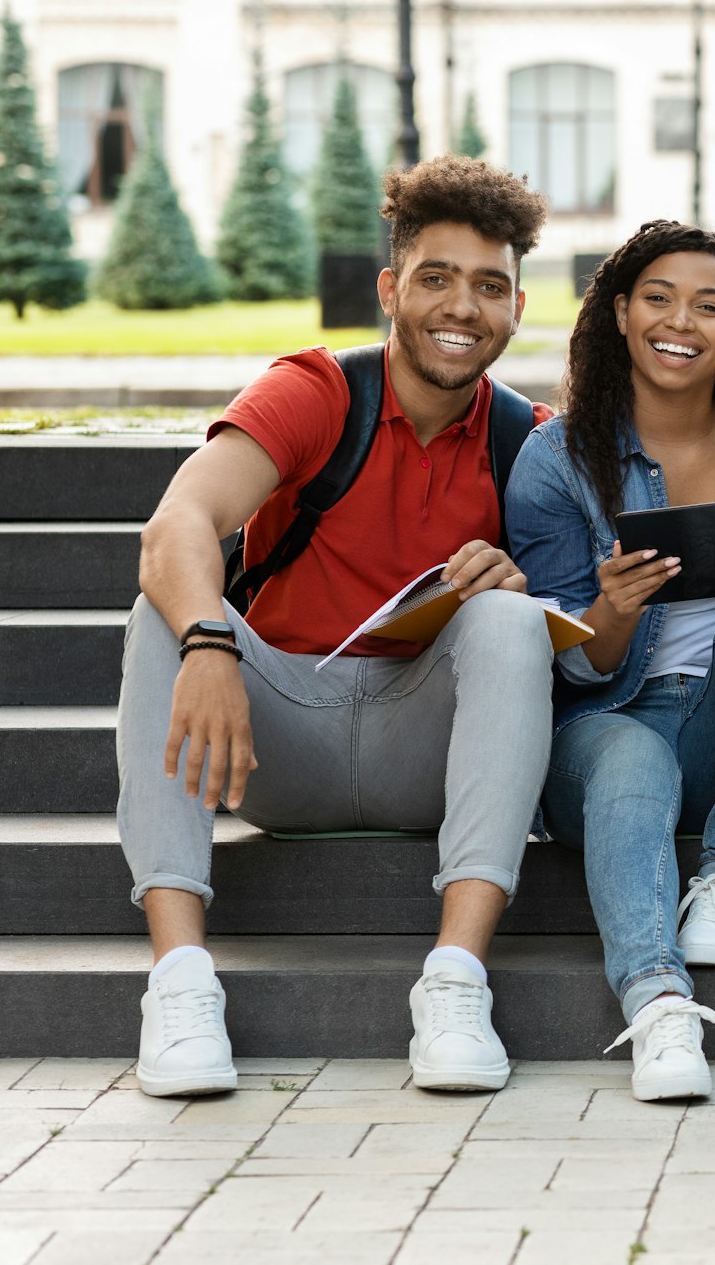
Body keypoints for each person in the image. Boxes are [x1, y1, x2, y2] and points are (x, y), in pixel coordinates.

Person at [119, 155, 554, 1097]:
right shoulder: (316, 391)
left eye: (490, 286)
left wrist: (518, 581)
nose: (462, 306)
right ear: (393, 288)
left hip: (424, 755)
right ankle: (182, 988)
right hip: (278, 740)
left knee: (512, 620)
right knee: (164, 610)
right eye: (436, 278)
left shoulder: (532, 439)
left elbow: (582, 629)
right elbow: (176, 528)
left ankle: (454, 983)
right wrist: (208, 641)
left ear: (517, 308)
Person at [505, 221, 715, 1101]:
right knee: (631, 753)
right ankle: (656, 1003)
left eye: (709, 307)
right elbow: (570, 663)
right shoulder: (557, 456)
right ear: (619, 312)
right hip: (607, 724)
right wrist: (611, 604)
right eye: (658, 298)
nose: (679, 321)